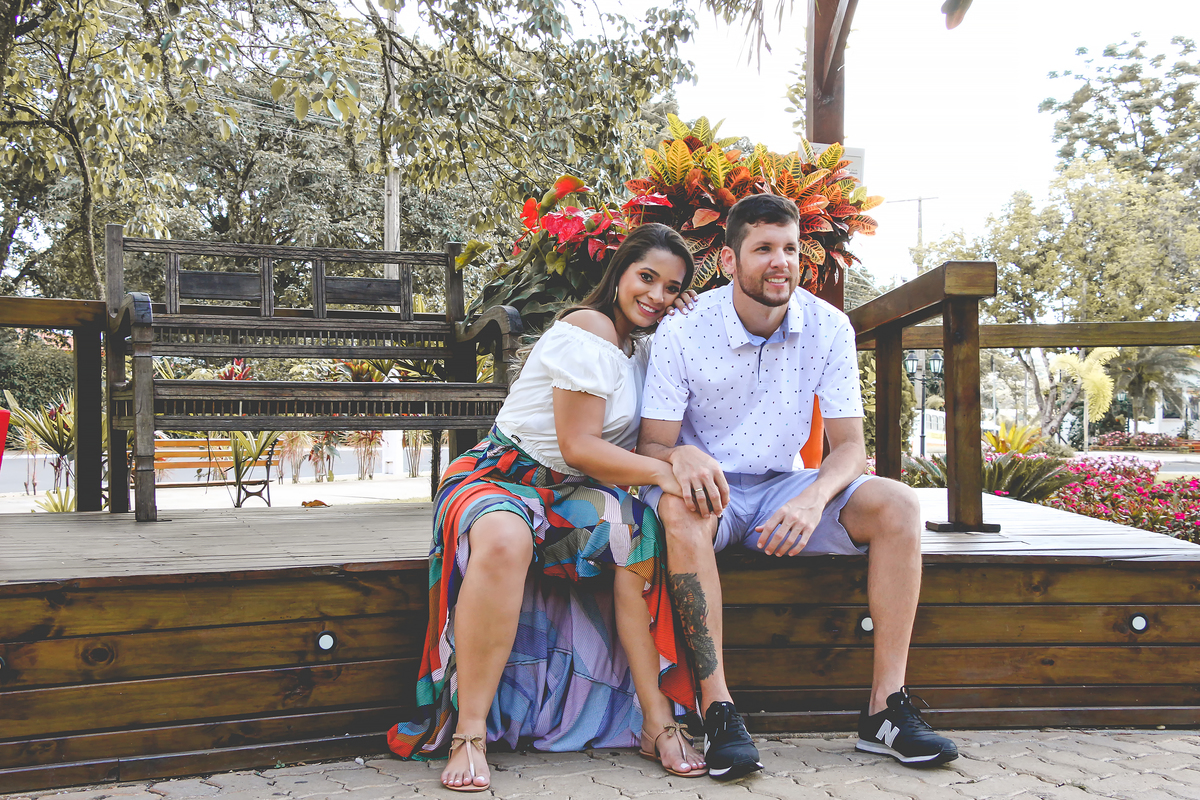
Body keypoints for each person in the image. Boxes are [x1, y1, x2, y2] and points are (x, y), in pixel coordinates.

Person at [637, 194, 959, 780]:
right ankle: (718, 709)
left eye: (789, 248)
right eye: (763, 248)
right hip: (708, 492)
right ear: (729, 261)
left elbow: (851, 447)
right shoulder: (683, 328)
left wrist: (813, 498)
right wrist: (681, 453)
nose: (780, 262)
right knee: (679, 510)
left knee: (897, 504)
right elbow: (651, 446)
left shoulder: (828, 326)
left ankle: (885, 709)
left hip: (785, 486)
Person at [388, 223, 709, 792]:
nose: (657, 295)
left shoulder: (646, 347)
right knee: (505, 538)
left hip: (567, 491)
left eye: (671, 288)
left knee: (639, 531)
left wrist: (687, 313)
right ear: (620, 273)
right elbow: (578, 445)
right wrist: (667, 470)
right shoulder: (589, 328)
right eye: (646, 278)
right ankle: (469, 732)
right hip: (500, 475)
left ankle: (656, 721)